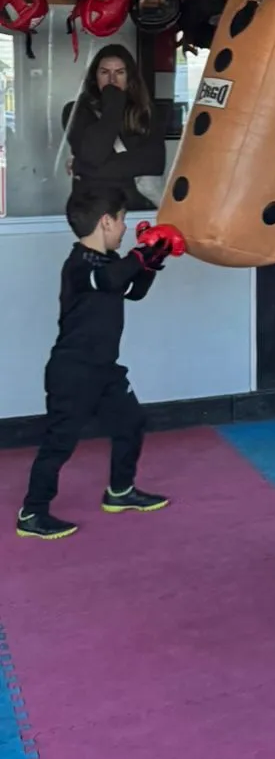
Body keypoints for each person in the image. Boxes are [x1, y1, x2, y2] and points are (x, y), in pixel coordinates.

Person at [17, 185, 174, 540]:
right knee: (60, 443)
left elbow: (133, 290)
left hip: (104, 369)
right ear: (106, 221)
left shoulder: (108, 263)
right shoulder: (78, 265)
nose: (123, 228)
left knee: (131, 422)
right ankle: (32, 513)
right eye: (121, 221)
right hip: (72, 371)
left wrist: (154, 259)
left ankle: (120, 491)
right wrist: (140, 250)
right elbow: (108, 280)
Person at [62, 44, 166, 212]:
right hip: (93, 212)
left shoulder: (145, 112)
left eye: (119, 72)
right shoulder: (75, 111)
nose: (112, 80)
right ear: (95, 77)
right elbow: (93, 155)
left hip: (137, 210)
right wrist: (114, 101)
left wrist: (80, 166)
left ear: (129, 77)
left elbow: (154, 164)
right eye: (105, 72)